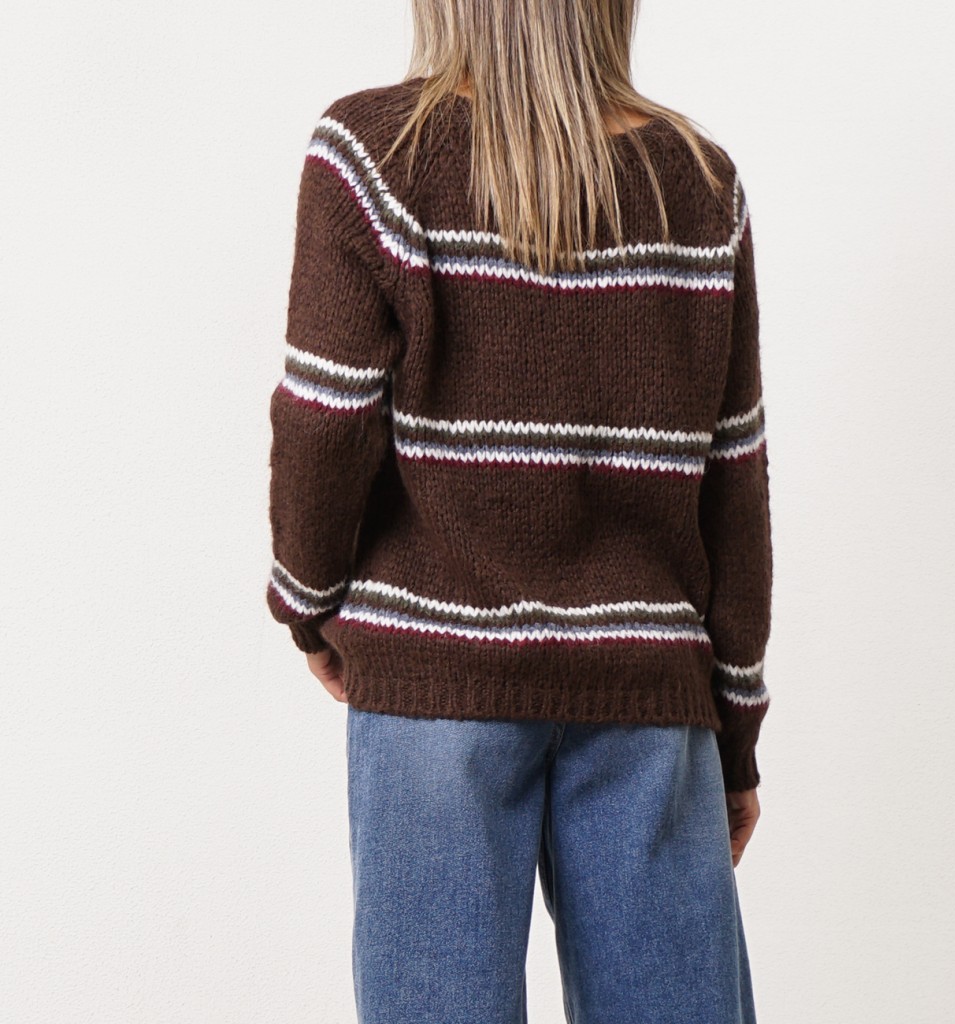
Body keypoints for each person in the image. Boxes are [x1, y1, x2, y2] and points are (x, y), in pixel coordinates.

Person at [265, 2, 773, 1020]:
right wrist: (734, 725)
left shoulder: (374, 157)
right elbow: (734, 480)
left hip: (434, 684)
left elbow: (325, 422)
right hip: (648, 692)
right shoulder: (699, 183)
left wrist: (307, 604)